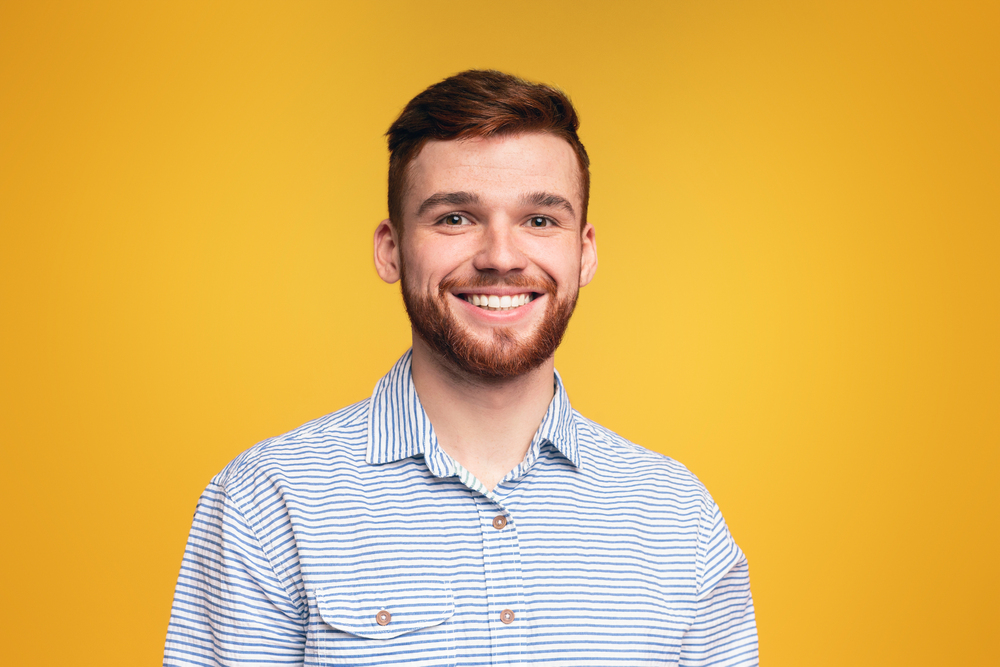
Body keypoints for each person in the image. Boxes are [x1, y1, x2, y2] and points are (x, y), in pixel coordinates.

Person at [164, 69, 758, 666]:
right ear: (391, 249)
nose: (500, 257)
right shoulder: (268, 502)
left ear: (584, 253)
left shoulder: (679, 519)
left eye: (540, 220)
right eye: (455, 218)